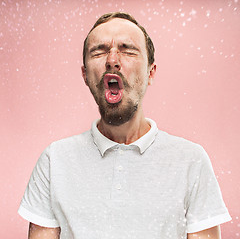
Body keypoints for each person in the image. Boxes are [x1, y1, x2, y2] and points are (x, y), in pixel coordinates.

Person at [18, 12, 231, 239]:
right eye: (99, 51)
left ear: (151, 72)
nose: (112, 59)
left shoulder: (191, 160)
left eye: (127, 49)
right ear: (85, 75)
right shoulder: (55, 161)